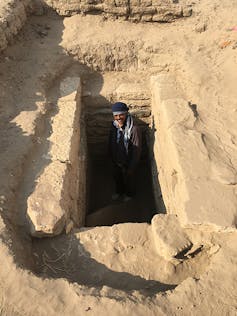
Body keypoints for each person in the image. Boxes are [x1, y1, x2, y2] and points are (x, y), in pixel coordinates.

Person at [108, 102, 142, 202]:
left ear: (126, 114)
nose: (118, 118)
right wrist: (110, 156)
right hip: (116, 159)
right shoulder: (114, 126)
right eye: (116, 115)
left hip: (128, 161)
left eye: (121, 115)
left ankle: (129, 194)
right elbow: (110, 140)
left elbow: (137, 150)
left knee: (129, 179)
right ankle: (119, 192)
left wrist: (132, 166)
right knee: (117, 177)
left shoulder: (134, 129)